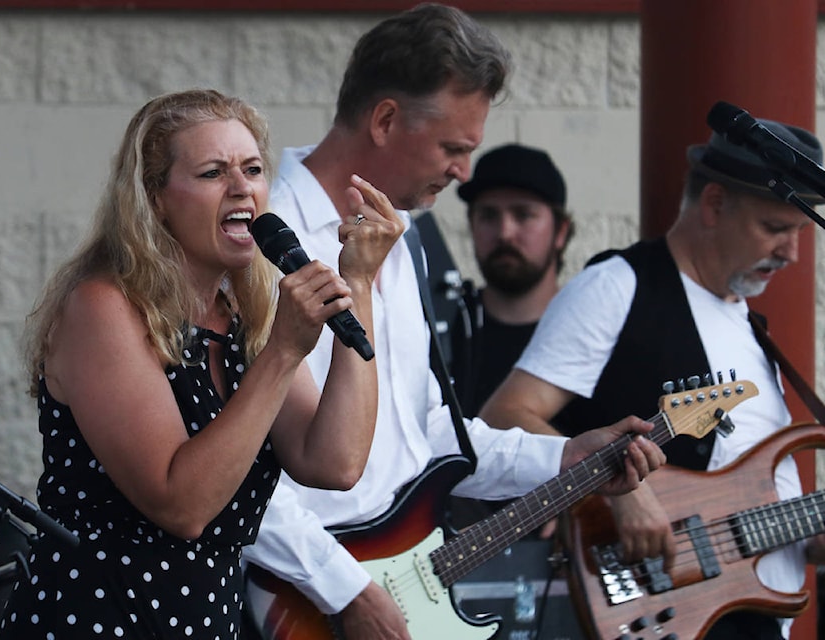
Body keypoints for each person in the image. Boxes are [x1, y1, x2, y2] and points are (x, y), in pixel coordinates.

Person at [241, 5, 666, 640]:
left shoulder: (404, 236)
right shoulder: (261, 243)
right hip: (302, 600)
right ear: (385, 119)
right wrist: (344, 589)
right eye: (453, 147)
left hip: (397, 583)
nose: (464, 172)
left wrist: (565, 457)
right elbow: (235, 464)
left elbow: (430, 435)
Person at [0, 88, 404, 638]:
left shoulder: (247, 314)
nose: (243, 188)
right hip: (97, 619)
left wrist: (357, 282)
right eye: (213, 172)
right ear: (155, 198)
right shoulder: (103, 307)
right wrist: (285, 349)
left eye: (254, 169)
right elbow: (182, 505)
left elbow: (334, 462)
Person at [480, 117, 825, 639]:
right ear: (713, 203)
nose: (791, 252)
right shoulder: (617, 287)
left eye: (797, 232)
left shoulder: (751, 329)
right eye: (775, 229)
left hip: (746, 617)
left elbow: (748, 504)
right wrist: (615, 491)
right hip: (651, 611)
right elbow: (505, 415)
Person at [449, 142, 574, 418]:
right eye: (488, 215)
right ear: (471, 225)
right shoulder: (443, 328)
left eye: (523, 215)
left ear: (561, 231)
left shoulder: (588, 330)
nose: (505, 233)